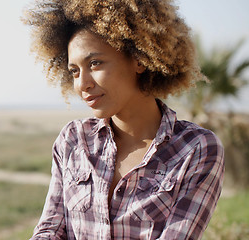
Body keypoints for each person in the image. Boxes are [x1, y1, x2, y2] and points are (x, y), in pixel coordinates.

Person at [22, 0, 225, 239]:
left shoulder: (197, 149)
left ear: (139, 59)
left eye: (95, 63)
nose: (82, 83)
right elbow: (50, 229)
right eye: (74, 71)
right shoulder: (74, 139)